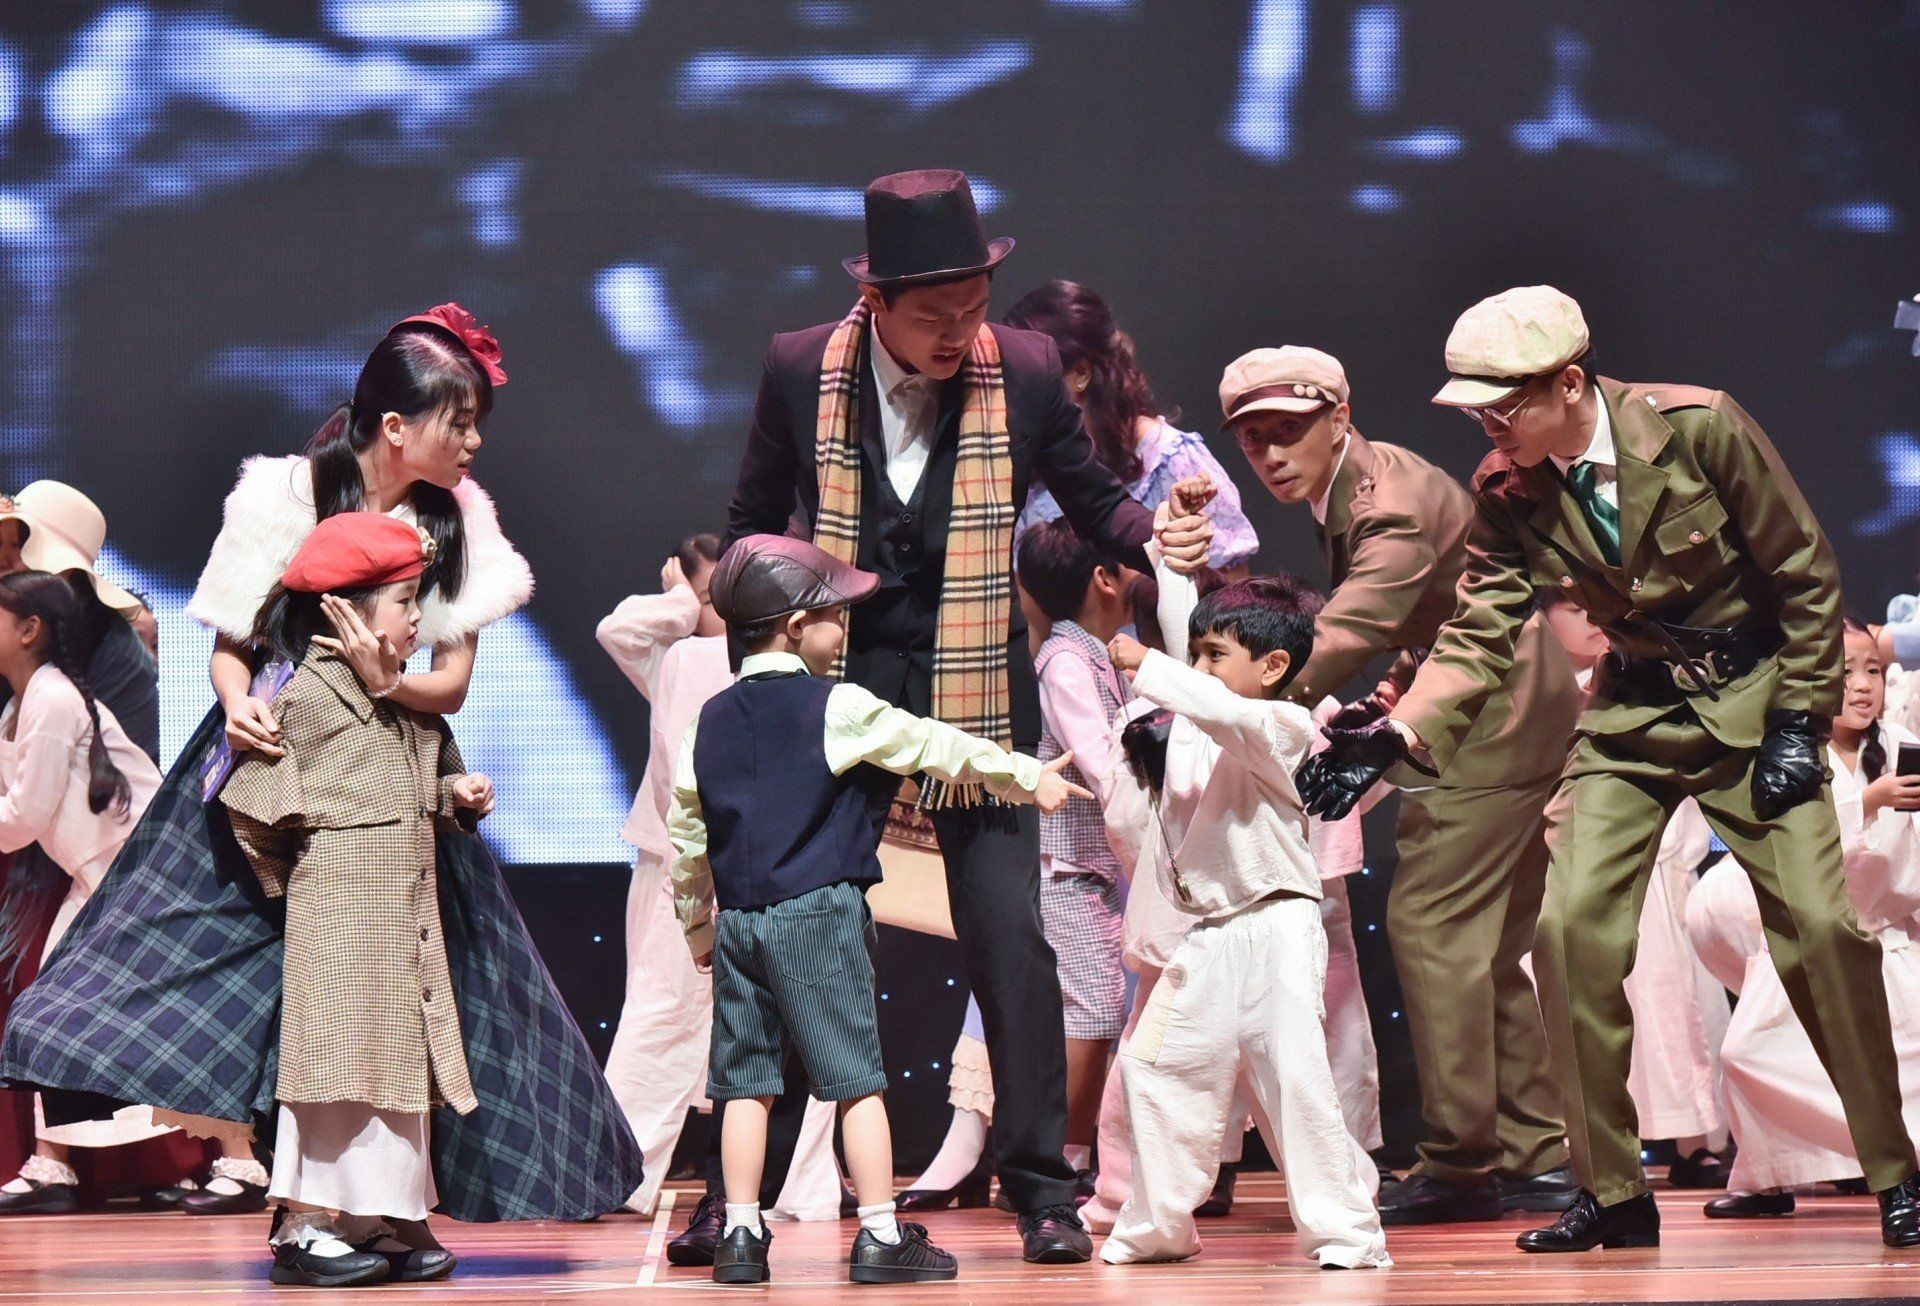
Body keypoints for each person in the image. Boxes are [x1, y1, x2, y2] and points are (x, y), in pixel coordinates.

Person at [0, 305, 644, 1257]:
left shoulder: (457, 521)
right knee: (266, 992)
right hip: (275, 763)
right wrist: (238, 703)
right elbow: (228, 648)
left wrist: (395, 686)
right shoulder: (285, 498)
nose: (472, 444)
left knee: (420, 1001)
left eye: (477, 427)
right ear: (396, 427)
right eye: (457, 423)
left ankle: (386, 1204)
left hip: (392, 776)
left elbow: (452, 685)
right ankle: (299, 1205)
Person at [1300, 284, 1920, 1252]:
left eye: (1503, 406)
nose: (1489, 426)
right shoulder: (1509, 488)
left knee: (1822, 929)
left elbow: (1801, 571)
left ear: (1570, 382)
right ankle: (1613, 1189)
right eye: (1477, 409)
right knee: (1568, 928)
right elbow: (1478, 628)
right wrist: (1401, 732)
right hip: (1633, 712)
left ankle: (1896, 1169)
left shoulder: (1699, 428)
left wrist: (1801, 719)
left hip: (1758, 702)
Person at [723, 168, 1212, 1264]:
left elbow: (1092, 495)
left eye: (974, 308)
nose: (960, 333)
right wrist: (755, 682)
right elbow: (755, 523)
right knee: (800, 922)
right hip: (832, 678)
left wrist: (1155, 536)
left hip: (973, 684)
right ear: (878, 302)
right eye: (935, 316)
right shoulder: (802, 367)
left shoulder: (1025, 369)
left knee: (1010, 929)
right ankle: (740, 1195)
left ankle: (1042, 1185)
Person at [667, 535, 1088, 1285]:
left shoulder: (710, 719)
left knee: (744, 1083)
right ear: (796, 625)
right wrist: (1024, 774)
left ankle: (737, 1232)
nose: (843, 632)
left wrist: (700, 924)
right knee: (856, 1078)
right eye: (835, 616)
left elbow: (689, 837)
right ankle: (882, 1233)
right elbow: (931, 745)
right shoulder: (838, 707)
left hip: (742, 924)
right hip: (817, 917)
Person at [1221, 344, 1579, 1224]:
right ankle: (1536, 1155)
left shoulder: (1385, 508)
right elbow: (1432, 613)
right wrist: (1394, 686)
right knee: (1486, 955)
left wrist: (1216, 702)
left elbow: (1349, 625)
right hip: (1502, 706)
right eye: (1253, 437)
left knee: (1430, 929)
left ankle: (1464, 1166)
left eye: (1288, 430)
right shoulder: (1359, 483)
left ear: (1338, 417)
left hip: (1490, 722)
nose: (1270, 453)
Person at [1097, 476, 1389, 1270]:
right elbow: (1179, 622)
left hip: (1276, 925)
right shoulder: (1198, 719)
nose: (1194, 663)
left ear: (1275, 667)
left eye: (1216, 656)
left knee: (1295, 1079)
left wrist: (1149, 669)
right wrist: (1176, 546)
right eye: (1195, 654)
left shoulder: (1279, 725)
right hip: (1213, 936)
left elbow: (1224, 705)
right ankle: (1158, 1226)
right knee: (1157, 1069)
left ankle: (1346, 1233)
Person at [218, 513, 501, 1286]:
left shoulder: (407, 697)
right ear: (346, 608)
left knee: (395, 1064)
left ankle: (378, 1213)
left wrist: (457, 795)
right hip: (340, 906)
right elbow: (252, 805)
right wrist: (309, 882)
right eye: (404, 601)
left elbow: (433, 772)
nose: (417, 618)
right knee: (337, 1064)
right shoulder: (304, 693)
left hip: (403, 906)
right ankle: (306, 1224)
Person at [596, 535, 843, 1227]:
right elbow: (618, 631)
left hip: (717, 862)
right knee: (678, 1011)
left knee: (723, 1018)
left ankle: (621, 1170)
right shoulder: (683, 656)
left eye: (718, 598)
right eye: (710, 596)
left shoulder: (734, 662)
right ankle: (621, 1166)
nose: (710, 608)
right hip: (688, 861)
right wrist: (684, 599)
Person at [1694, 619, 1920, 1218]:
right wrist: (1864, 802)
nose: (1863, 685)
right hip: (1811, 940)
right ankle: (1770, 1177)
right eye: (1844, 672)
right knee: (1748, 1055)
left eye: (1872, 669)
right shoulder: (1790, 756)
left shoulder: (1900, 746)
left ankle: (1899, 1172)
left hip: (1891, 943)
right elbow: (1781, 852)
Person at [1540, 589, 1732, 1187]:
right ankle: (1581, 1148)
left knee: (1676, 1009)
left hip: (1666, 873)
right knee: (1590, 1005)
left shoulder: (1648, 675)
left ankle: (1693, 1138)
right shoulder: (1542, 695)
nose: (1591, 622)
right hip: (1583, 865)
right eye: (1573, 611)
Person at [0, 572, 163, 1213]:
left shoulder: (50, 700)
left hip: (131, 875)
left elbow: (22, 820)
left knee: (155, 1018)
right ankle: (53, 1163)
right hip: (100, 876)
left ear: (29, 629)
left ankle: (237, 1160)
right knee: (50, 1008)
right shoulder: (27, 702)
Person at [1014, 518, 1136, 1196]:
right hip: (1063, 865)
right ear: (1102, 577)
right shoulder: (1066, 660)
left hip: (1089, 865)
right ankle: (1062, 1159)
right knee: (1094, 1008)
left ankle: (1072, 1156)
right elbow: (1102, 763)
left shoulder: (1093, 652)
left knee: (1097, 1006)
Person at [1008, 280, 1259, 575]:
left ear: (1080, 373)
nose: (1013, 392)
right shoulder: (1032, 465)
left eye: (1028, 377)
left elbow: (1230, 588)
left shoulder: (1171, 459)